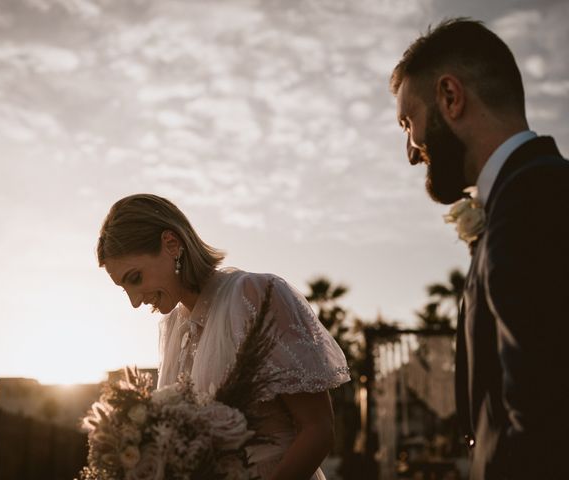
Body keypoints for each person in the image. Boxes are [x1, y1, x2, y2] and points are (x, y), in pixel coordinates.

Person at [391, 18, 569, 480]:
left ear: (450, 97)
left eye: (409, 122)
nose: (411, 150)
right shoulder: (525, 195)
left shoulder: (535, 201)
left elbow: (545, 421)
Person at [96, 193, 351, 480]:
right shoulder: (172, 330)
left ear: (172, 244)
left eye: (135, 278)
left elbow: (317, 429)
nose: (134, 301)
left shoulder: (255, 295)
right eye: (124, 288)